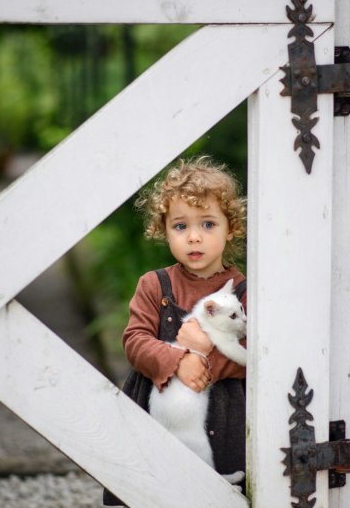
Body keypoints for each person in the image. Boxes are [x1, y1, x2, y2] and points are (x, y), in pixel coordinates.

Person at [103, 156, 248, 506]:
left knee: (216, 493)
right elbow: (135, 341)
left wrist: (207, 359)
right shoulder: (154, 285)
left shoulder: (244, 291)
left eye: (208, 224)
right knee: (152, 488)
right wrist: (178, 360)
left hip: (224, 416)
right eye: (180, 227)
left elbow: (258, 353)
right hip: (158, 410)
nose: (194, 237)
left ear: (231, 228)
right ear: (163, 230)